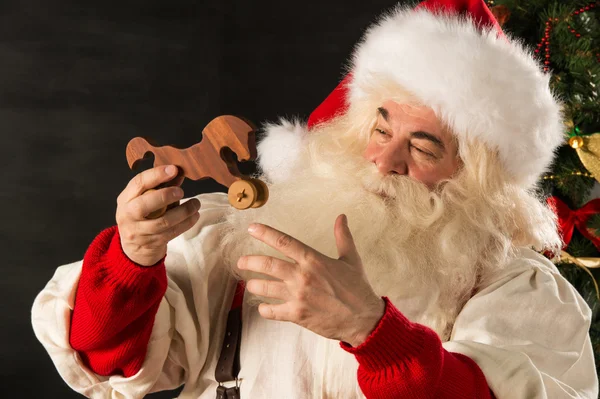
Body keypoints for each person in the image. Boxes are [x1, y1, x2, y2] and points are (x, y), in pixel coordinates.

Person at [31, 0, 598, 398]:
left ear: (475, 177)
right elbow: (110, 360)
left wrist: (373, 333)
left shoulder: (520, 294)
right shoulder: (241, 234)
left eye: (423, 148)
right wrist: (132, 258)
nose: (384, 160)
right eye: (381, 128)